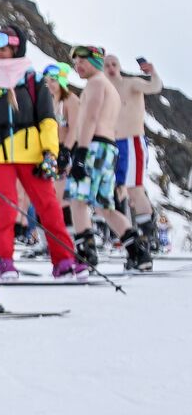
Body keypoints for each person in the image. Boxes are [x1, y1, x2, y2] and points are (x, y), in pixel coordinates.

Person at [0, 26, 84, 281]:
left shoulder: (35, 82)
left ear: (17, 48)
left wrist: (50, 153)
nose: (0, 54)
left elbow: (48, 121)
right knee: (6, 207)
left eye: (5, 49)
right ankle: (2, 261)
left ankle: (65, 260)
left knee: (48, 206)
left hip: (34, 156)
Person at [66, 45, 152, 270]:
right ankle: (138, 252)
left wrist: (81, 153)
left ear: (94, 62)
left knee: (78, 200)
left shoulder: (95, 84)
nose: (78, 66)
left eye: (82, 61)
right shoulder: (111, 88)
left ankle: (86, 253)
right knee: (106, 206)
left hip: (92, 146)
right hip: (108, 148)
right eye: (75, 63)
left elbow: (91, 117)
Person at [105, 54, 163, 251]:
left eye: (114, 64)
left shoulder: (131, 84)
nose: (111, 68)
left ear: (119, 66)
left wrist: (152, 72)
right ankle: (123, 233)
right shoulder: (102, 89)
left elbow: (155, 87)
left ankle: (149, 234)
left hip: (132, 142)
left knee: (134, 188)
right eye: (107, 65)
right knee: (116, 189)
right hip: (112, 144)